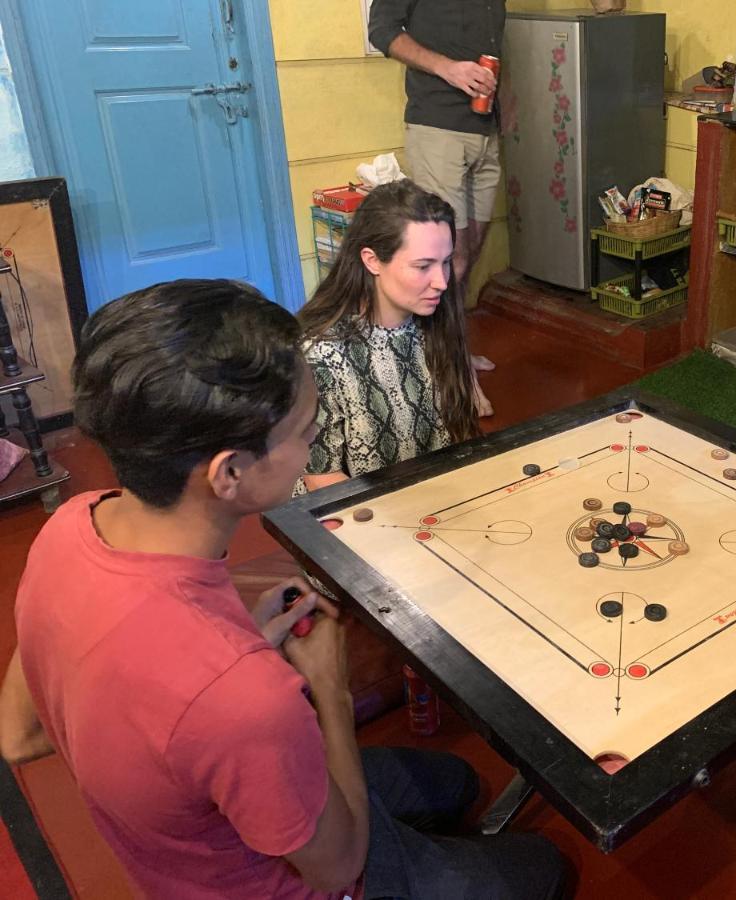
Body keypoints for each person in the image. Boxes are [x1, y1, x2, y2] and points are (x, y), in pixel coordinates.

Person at [0, 280, 567, 899]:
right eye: (304, 432)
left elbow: (18, 734)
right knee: (545, 867)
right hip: (302, 880)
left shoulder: (69, 525)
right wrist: (326, 691)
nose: (311, 448)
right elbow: (338, 866)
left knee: (455, 783)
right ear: (230, 473)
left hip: (211, 789)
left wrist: (222, 663)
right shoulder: (244, 701)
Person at [297, 180, 481, 494]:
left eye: (446, 262)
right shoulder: (321, 352)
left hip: (432, 502)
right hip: (361, 518)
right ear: (372, 260)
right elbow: (322, 480)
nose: (441, 282)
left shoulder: (435, 320)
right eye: (423, 266)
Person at [368, 0, 506, 416]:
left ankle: (453, 351)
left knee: (471, 251)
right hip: (437, 127)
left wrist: (508, 107)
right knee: (450, 259)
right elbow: (383, 31)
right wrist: (450, 68)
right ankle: (452, 373)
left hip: (485, 128)